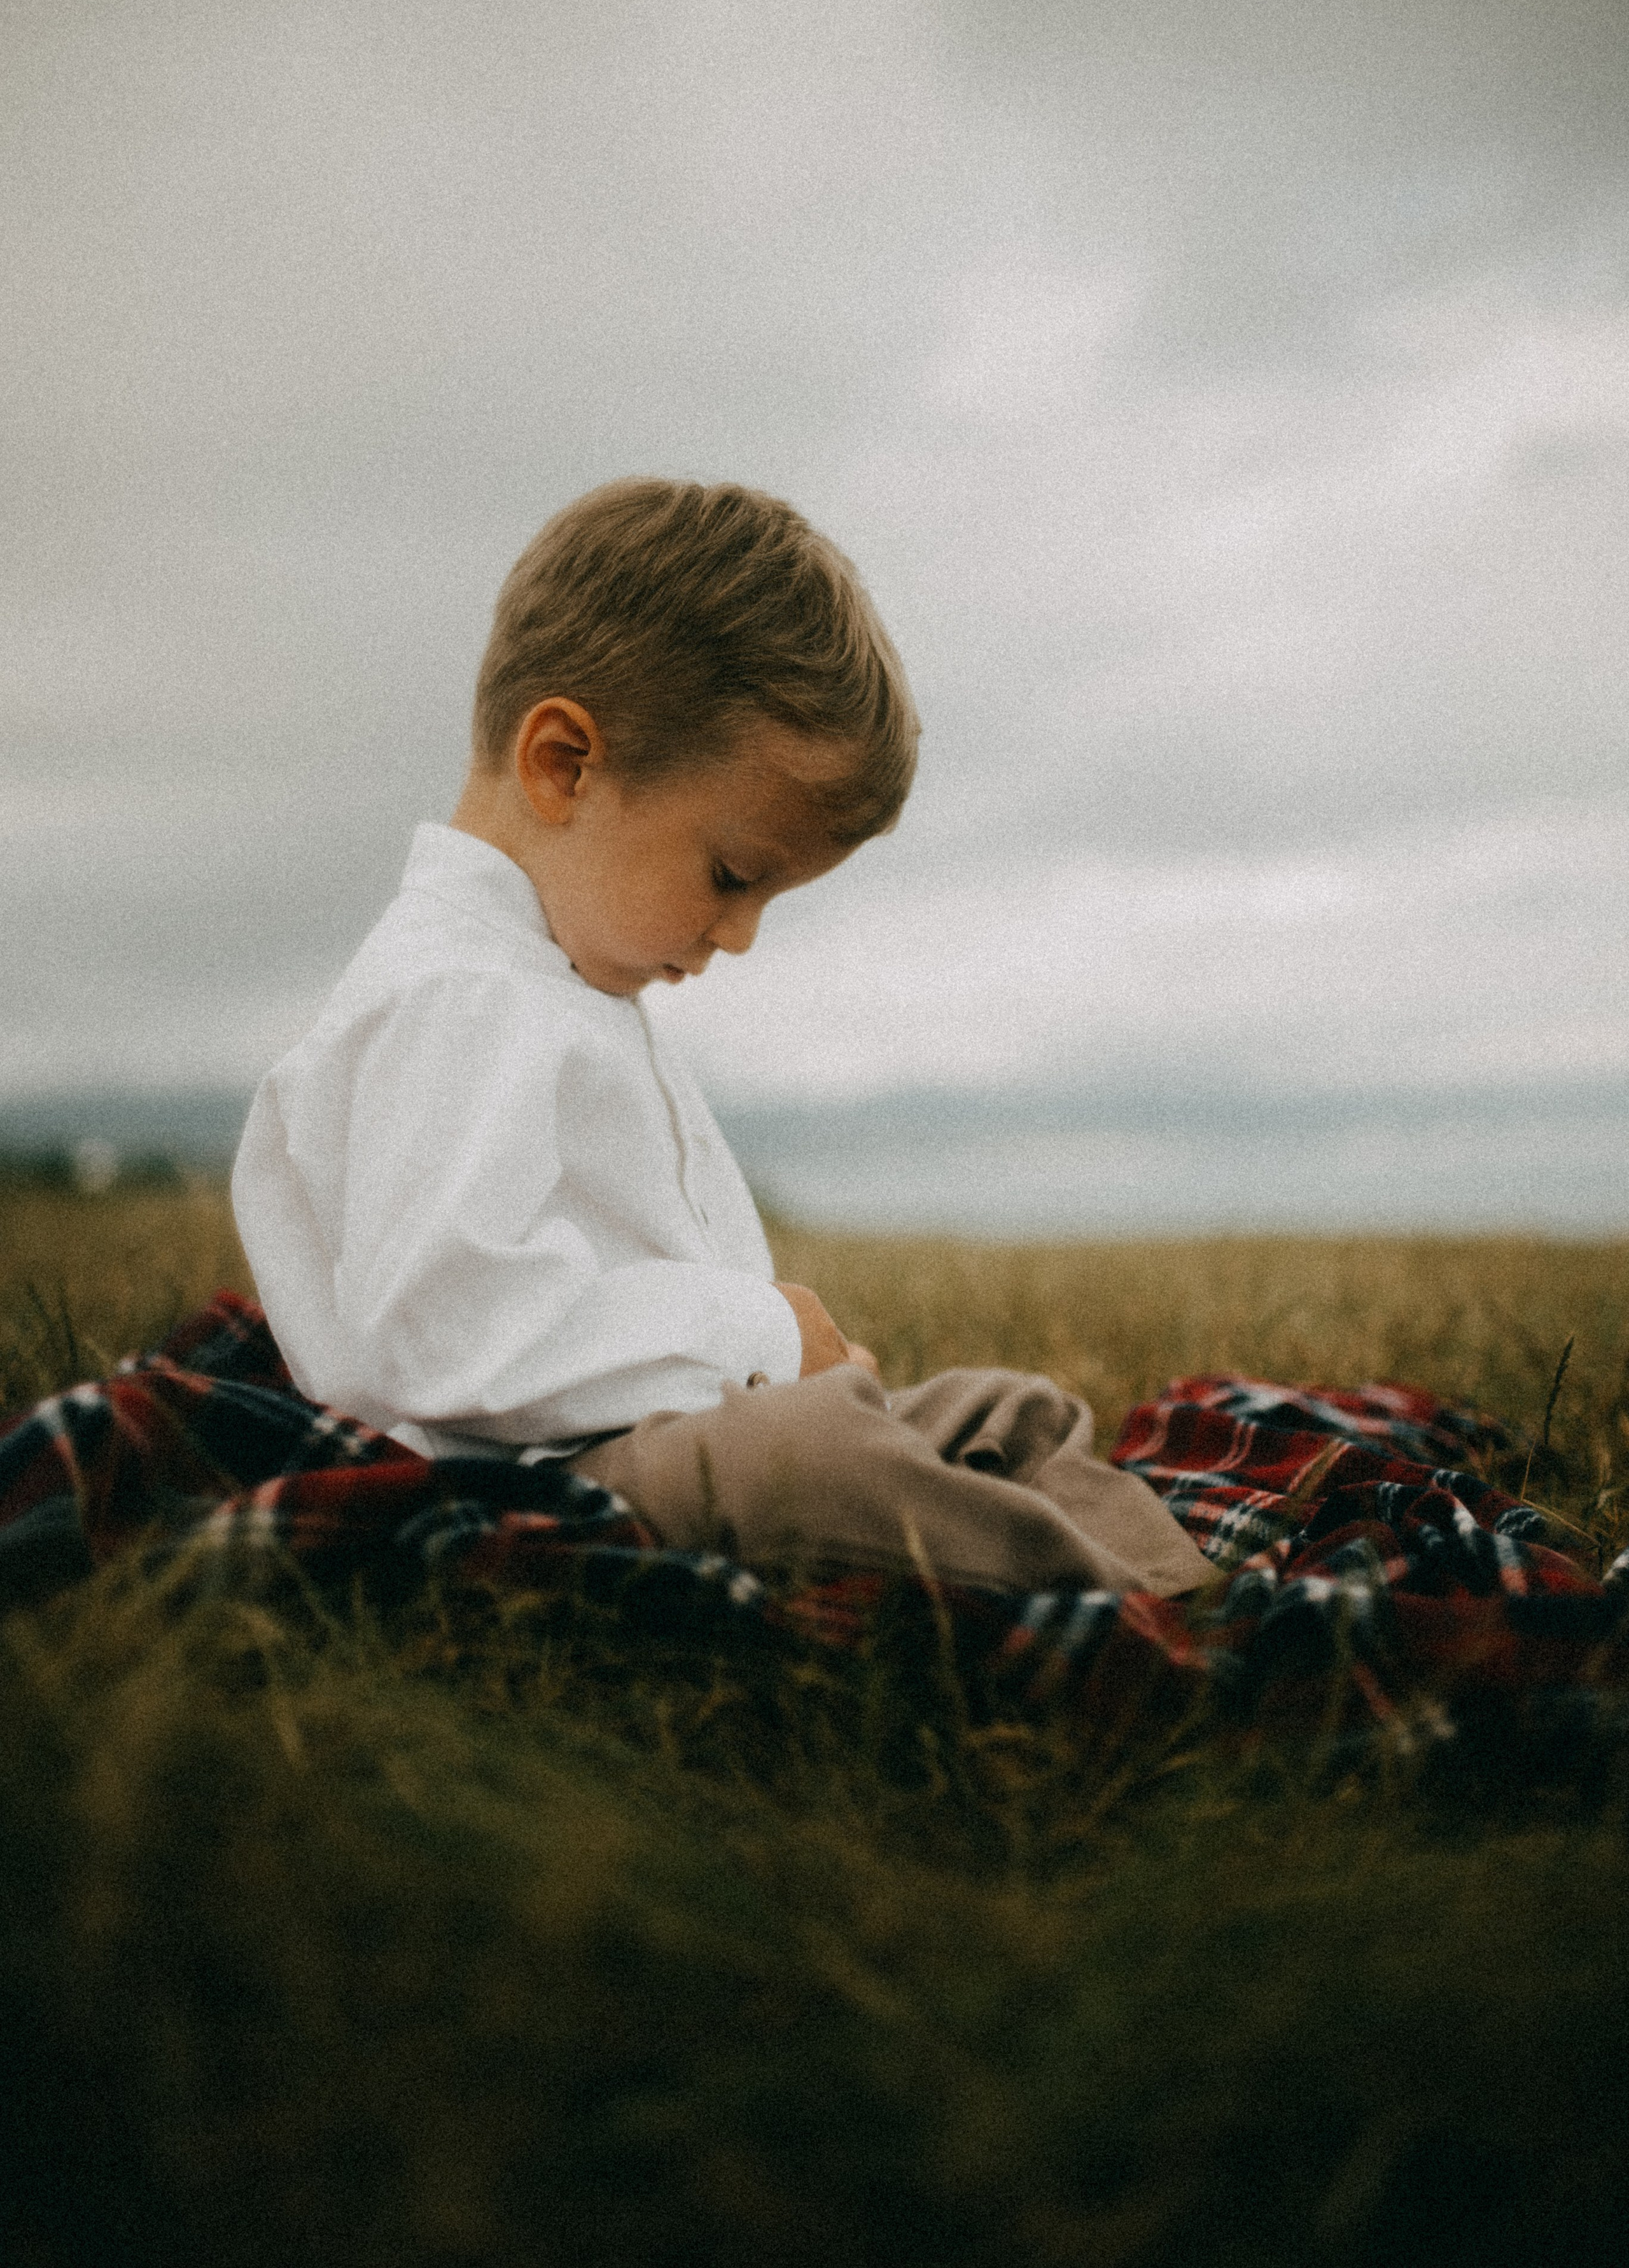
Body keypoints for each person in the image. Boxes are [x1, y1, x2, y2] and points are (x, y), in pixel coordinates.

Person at [232, 480, 1207, 1599]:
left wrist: (774, 1369)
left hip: (655, 1430)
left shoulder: (558, 979)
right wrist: (764, 1340)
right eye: (733, 876)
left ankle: (1183, 1586)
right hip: (526, 1476)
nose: (740, 936)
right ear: (564, 764)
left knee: (998, 1409)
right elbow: (448, 1333)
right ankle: (1164, 1637)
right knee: (822, 1463)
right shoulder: (458, 998)